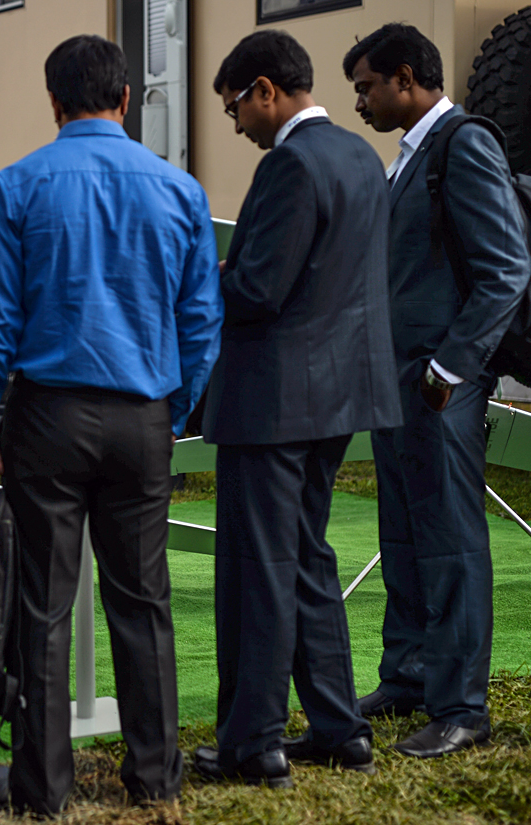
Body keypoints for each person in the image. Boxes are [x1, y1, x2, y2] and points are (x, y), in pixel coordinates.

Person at [0, 34, 222, 815]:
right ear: (127, 98)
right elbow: (202, 321)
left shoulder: (16, 186)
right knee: (143, 598)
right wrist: (173, 408)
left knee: (42, 603)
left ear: (53, 102)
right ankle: (155, 775)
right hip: (142, 415)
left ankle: (44, 787)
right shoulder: (180, 189)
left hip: (47, 414)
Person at [191, 31, 401, 789]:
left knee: (260, 569)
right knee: (308, 557)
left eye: (234, 107)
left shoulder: (289, 165)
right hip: (344, 392)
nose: (236, 123)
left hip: (274, 398)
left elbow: (258, 291)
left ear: (265, 91)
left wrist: (203, 279)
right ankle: (340, 726)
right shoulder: (362, 159)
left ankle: (254, 743)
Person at [344, 23, 531, 757]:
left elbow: (505, 269)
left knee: (450, 543)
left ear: (405, 79)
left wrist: (450, 369)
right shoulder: (412, 154)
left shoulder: (463, 143)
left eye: (366, 87)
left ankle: (461, 706)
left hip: (439, 386)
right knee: (404, 535)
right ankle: (410, 676)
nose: (358, 101)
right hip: (399, 383)